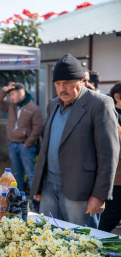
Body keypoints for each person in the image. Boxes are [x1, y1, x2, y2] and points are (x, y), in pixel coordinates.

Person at [31, 53, 119, 228]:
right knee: (48, 240)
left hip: (81, 190)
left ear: (81, 80)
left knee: (81, 246)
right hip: (49, 186)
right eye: (58, 84)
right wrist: (38, 185)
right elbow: (46, 145)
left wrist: (99, 195)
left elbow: (108, 154)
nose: (62, 88)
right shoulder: (53, 104)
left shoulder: (100, 104)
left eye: (68, 84)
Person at [0, 82, 43, 207]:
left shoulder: (34, 108)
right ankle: (18, 201)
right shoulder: (12, 106)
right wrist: (5, 90)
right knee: (16, 175)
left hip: (25, 146)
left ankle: (35, 202)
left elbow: (38, 128)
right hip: (13, 145)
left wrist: (27, 144)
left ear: (21, 93)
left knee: (30, 174)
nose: (10, 97)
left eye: (12, 94)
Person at [99, 82, 121, 232]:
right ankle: (94, 247)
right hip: (116, 178)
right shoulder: (110, 116)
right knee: (111, 216)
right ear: (117, 97)